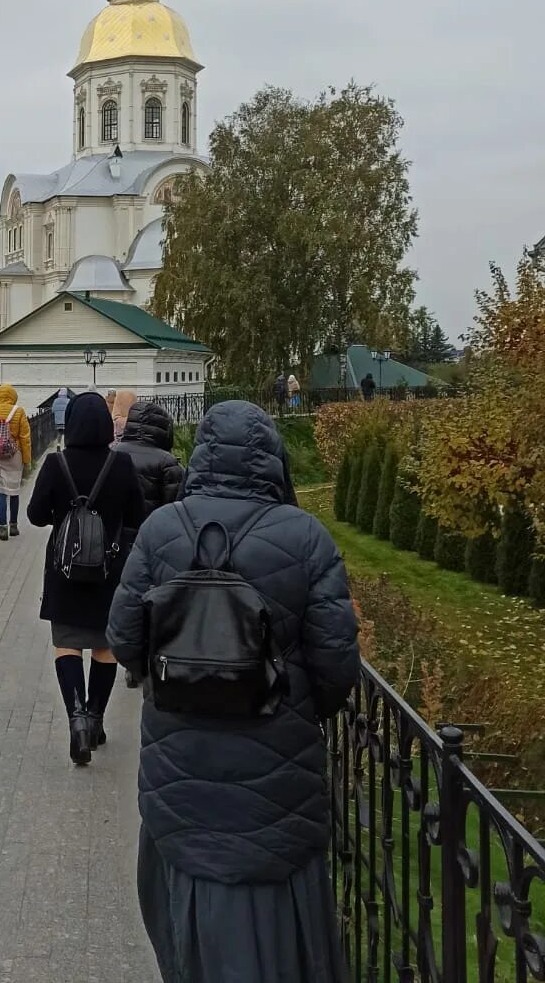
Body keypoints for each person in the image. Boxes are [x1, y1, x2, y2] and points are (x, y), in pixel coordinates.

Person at [107, 401, 359, 983]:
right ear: (271, 458)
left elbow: (123, 637)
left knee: (186, 924)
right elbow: (336, 664)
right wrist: (291, 707)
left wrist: (176, 682)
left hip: (181, 774)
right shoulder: (306, 538)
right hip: (277, 783)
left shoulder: (164, 529)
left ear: (202, 455)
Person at [27, 392, 144, 764]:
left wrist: (64, 518)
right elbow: (137, 517)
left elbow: (34, 515)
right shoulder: (121, 464)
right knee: (104, 647)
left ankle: (76, 719)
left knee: (67, 643)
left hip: (64, 570)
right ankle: (95, 719)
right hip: (109, 570)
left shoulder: (56, 463)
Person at [116, 401, 184, 550]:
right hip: (152, 541)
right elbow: (175, 509)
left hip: (114, 539)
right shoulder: (167, 462)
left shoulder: (112, 453)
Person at [0, 383, 32, 541]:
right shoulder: (19, 412)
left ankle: (2, 528)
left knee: (0, 491)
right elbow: (25, 438)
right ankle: (14, 526)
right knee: (14, 491)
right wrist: (26, 460)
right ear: (13, 396)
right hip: (14, 455)